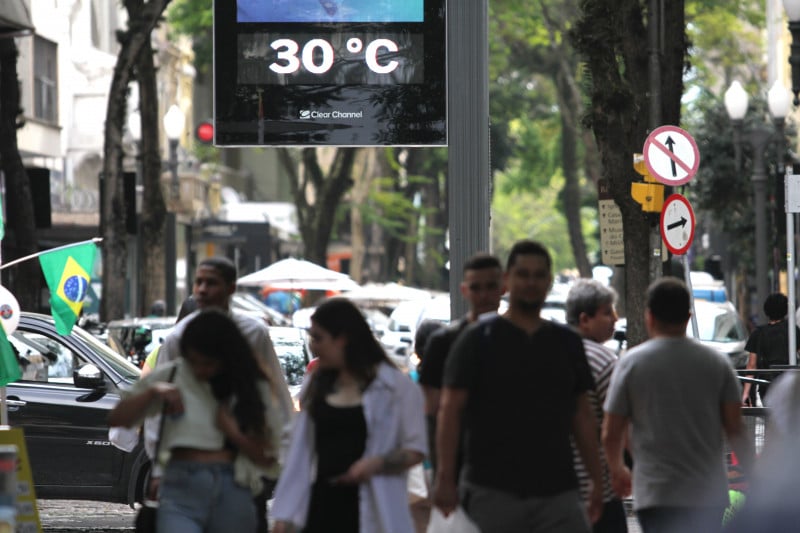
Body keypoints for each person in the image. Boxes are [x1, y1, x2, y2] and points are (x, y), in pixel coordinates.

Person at [434, 240, 603, 532]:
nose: (530, 282)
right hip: (492, 490)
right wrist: (445, 477)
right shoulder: (476, 340)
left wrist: (597, 479)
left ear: (549, 282)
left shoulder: (567, 343)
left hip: (558, 490)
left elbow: (582, 415)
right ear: (507, 280)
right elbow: (450, 411)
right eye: (523, 274)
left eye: (539, 275)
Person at [151, 257, 293, 533]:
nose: (202, 290)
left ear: (230, 288)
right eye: (198, 282)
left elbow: (275, 395)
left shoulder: (254, 333)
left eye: (211, 283)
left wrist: (285, 459)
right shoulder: (177, 339)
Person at [108, 310, 283, 532]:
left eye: (209, 363)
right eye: (194, 362)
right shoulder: (171, 374)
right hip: (180, 486)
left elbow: (267, 458)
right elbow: (118, 419)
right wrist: (151, 394)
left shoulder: (248, 386)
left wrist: (232, 431)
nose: (200, 371)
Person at [603, 278, 753, 533]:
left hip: (655, 493)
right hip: (707, 493)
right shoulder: (716, 364)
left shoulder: (631, 364)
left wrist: (618, 470)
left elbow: (611, 431)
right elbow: (735, 429)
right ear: (688, 317)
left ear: (649, 316)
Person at [272, 298, 427, 533]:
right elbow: (299, 454)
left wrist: (376, 463)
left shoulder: (395, 387)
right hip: (321, 508)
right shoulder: (316, 383)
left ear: (342, 339)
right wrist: (283, 516)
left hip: (375, 511)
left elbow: (416, 449)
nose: (313, 346)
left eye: (318, 338)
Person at [418, 253, 503, 472]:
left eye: (491, 286)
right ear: (464, 290)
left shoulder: (520, 339)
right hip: (459, 462)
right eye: (476, 288)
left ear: (503, 287)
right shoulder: (442, 342)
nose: (484, 295)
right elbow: (432, 412)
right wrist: (441, 473)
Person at [566, 280, 627, 533]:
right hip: (598, 488)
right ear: (584, 319)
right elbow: (616, 427)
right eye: (606, 312)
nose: (615, 318)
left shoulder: (549, 352)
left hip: (556, 489)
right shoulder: (604, 361)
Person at [742, 293, 799, 404]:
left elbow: (751, 365)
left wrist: (746, 393)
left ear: (766, 310)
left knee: (769, 416)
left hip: (766, 385)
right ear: (785, 310)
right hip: (789, 383)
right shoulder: (792, 330)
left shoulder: (758, 333)